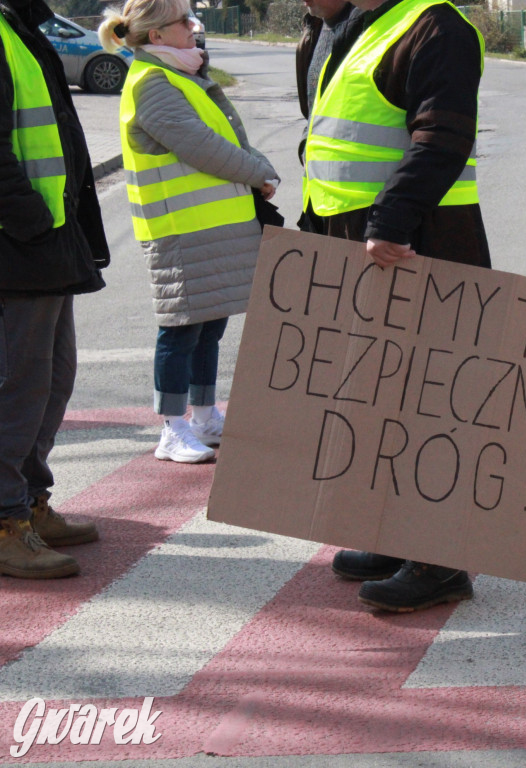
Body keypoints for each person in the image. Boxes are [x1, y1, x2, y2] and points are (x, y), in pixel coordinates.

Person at [301, 0, 491, 612]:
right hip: (364, 242)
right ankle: (393, 535)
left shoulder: (435, 26)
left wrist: (394, 217)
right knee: (378, 398)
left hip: (415, 244)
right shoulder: (359, 28)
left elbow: (443, 135)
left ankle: (438, 562)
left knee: (426, 402)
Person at [98, 0, 279, 464]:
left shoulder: (177, 75)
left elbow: (224, 134)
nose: (192, 26)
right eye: (183, 21)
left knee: (208, 324)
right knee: (180, 329)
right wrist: (258, 171)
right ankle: (172, 429)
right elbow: (204, 148)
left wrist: (257, 167)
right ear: (156, 36)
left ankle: (203, 416)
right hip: (180, 229)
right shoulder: (153, 82)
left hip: (208, 227)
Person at [0, 0, 110, 578]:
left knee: (52, 378)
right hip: (19, 248)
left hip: (43, 245)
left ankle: (29, 503)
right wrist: (34, 224)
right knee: (18, 386)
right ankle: (4, 519)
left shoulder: (21, 26)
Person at [296, 0, 354, 164]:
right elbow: (314, 106)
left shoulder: (368, 29)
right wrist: (306, 145)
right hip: (321, 175)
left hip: (354, 177)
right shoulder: (315, 25)